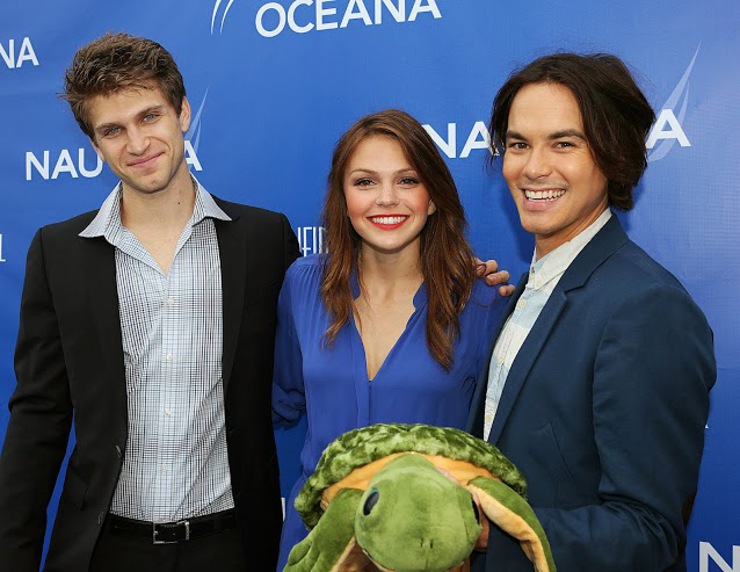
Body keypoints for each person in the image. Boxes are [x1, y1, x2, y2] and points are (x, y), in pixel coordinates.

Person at [0, 32, 299, 572]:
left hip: (233, 547)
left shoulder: (264, 240)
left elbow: (334, 336)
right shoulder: (59, 252)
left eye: (149, 117)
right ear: (95, 145)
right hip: (102, 549)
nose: (136, 144)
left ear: (182, 113)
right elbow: (39, 418)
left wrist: (458, 281)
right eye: (113, 130)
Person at [467, 53, 716, 571]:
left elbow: (648, 531)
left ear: (613, 154)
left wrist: (489, 529)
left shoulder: (647, 308)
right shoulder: (524, 291)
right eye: (518, 144)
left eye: (564, 143)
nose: (533, 168)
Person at [272, 109, 513, 570]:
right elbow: (281, 399)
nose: (386, 199)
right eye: (364, 182)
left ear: (434, 197)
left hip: (425, 552)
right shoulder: (303, 285)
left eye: (407, 180)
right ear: (342, 199)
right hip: (317, 548)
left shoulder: (482, 301)